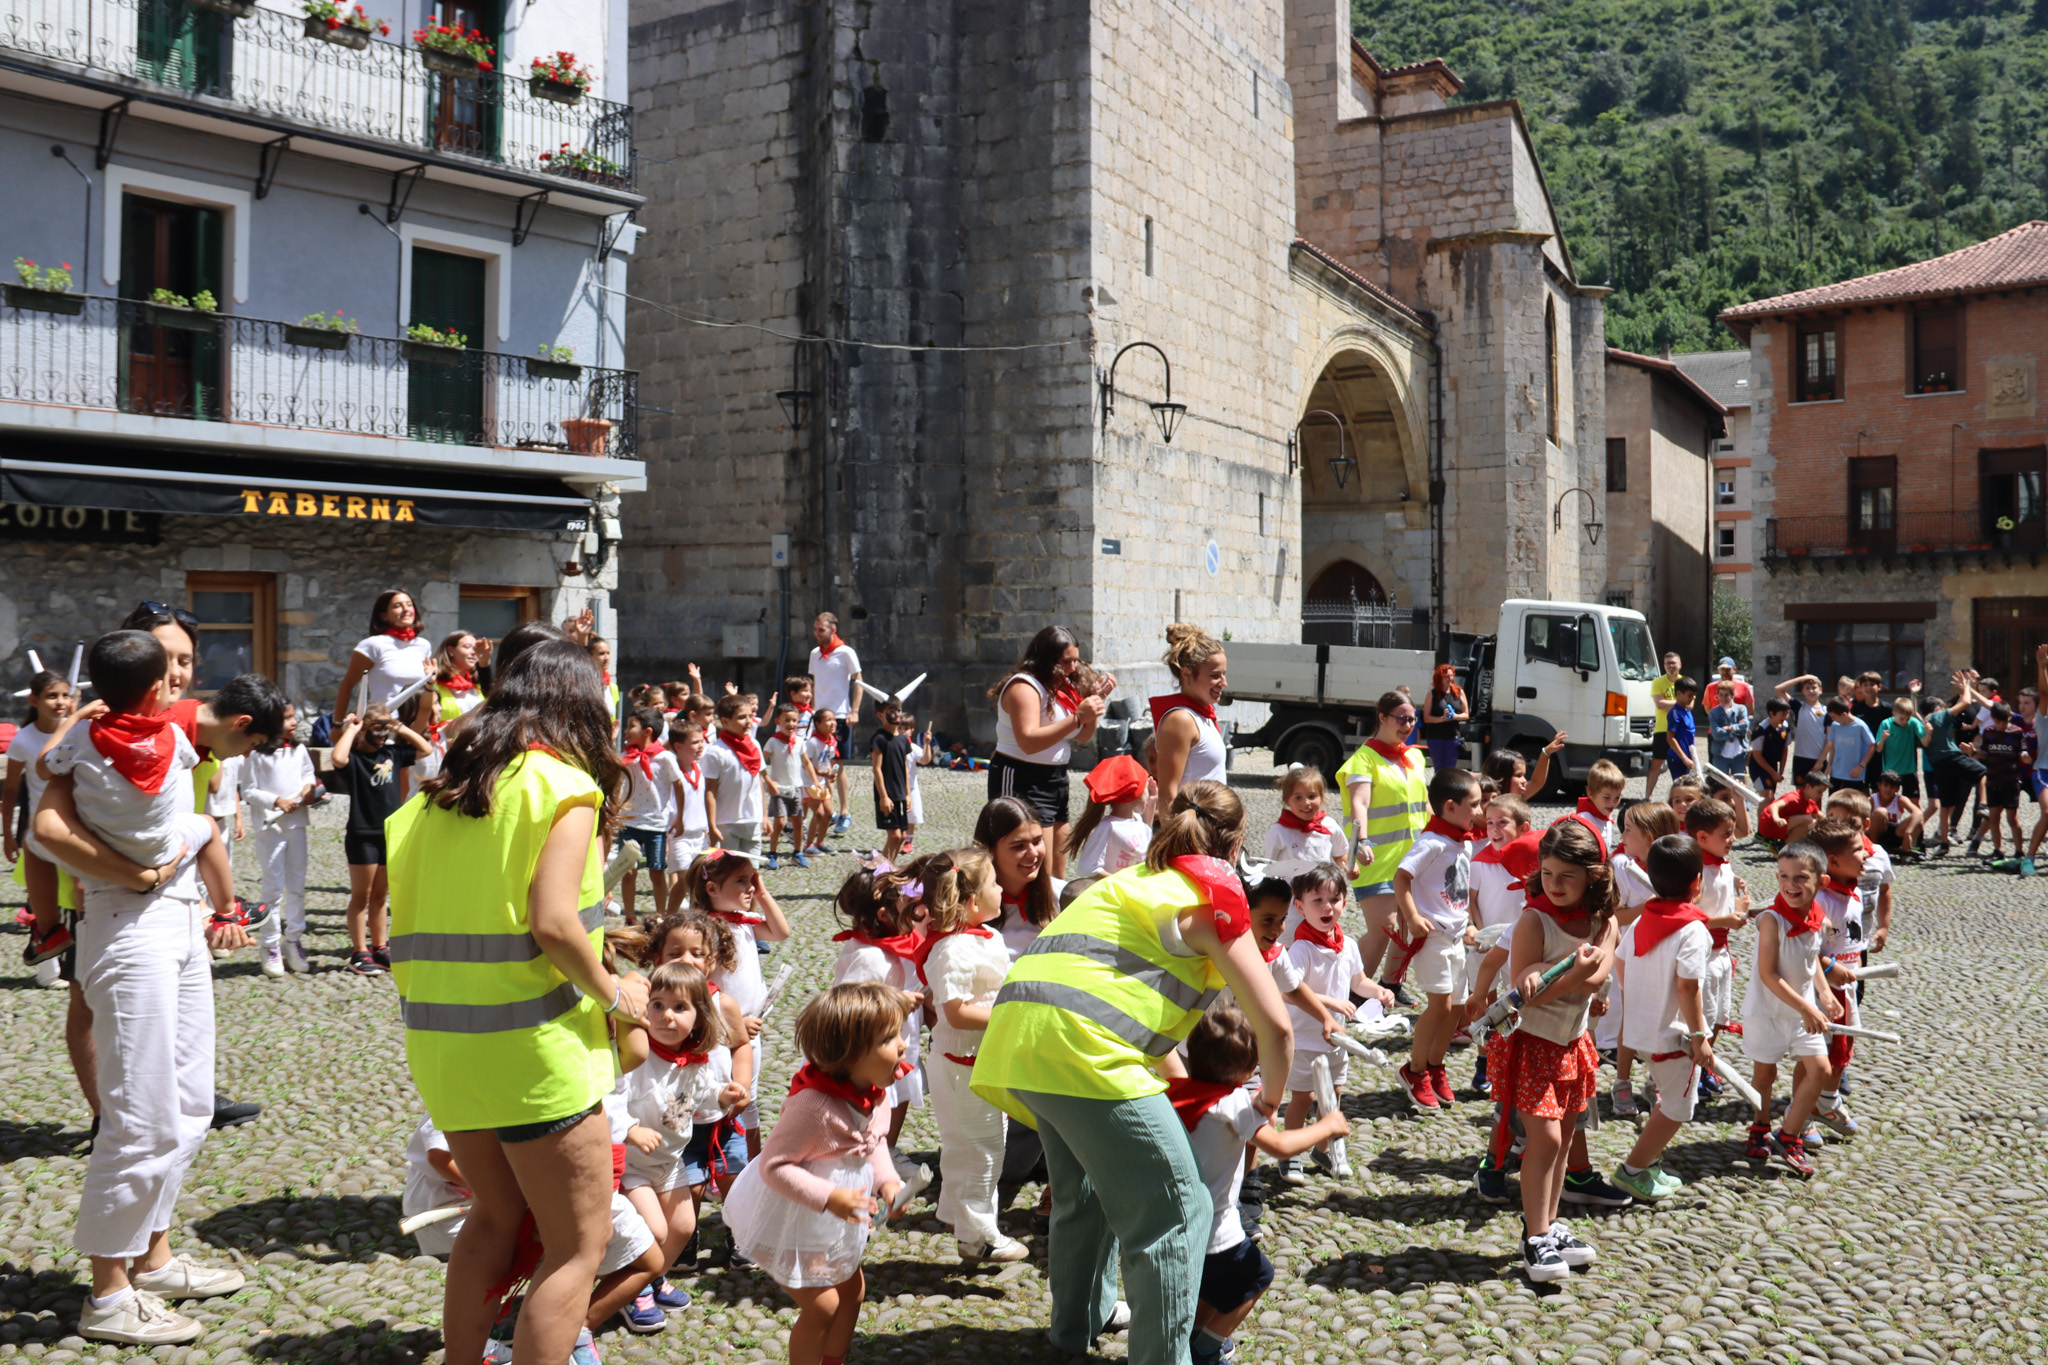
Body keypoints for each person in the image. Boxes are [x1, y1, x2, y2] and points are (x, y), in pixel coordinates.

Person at [385, 636, 649, 1365]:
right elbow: (554, 922)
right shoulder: (560, 785)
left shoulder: (435, 797)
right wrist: (618, 993)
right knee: (578, 1244)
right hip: (535, 1055)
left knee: (495, 1217)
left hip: (446, 1051)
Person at [972, 780, 1294, 1365]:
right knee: (1180, 1212)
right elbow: (1276, 1029)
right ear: (1235, 843)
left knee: (1083, 1192)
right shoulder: (1212, 898)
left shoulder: (1130, 881)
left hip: (1020, 1040)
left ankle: (1074, 1332)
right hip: (1088, 1055)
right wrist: (1269, 1100)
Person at [33, 633, 283, 1346]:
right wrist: (134, 872)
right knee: (140, 1116)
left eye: (187, 659)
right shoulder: (95, 733)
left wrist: (202, 890)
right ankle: (109, 1292)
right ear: (148, 681)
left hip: (178, 919)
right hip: (127, 921)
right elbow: (46, 827)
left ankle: (153, 1258)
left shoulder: (168, 736)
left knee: (190, 1104)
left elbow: (192, 826)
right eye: (172, 661)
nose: (183, 672)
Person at [722, 983, 912, 1365]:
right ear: (849, 1054)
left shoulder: (875, 1093)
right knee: (823, 1305)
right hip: (794, 1212)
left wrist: (888, 1182)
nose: (903, 1045)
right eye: (889, 1038)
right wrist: (829, 1197)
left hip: (835, 1214)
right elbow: (775, 1166)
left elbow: (873, 1142)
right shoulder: (814, 1107)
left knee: (853, 1293)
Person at [1477, 818, 1618, 1282]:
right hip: (1532, 1043)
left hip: (1570, 1042)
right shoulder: (1532, 920)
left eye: (1567, 876)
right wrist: (1567, 972)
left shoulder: (1603, 922)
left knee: (1564, 1138)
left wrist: (1560, 973)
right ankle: (1534, 1235)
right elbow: (1527, 993)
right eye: (1548, 873)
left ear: (1592, 877)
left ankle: (1549, 1224)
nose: (1554, 884)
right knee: (1547, 1140)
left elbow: (1595, 980)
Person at [1172, 1001, 1349, 1365]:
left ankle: (1192, 1338)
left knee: (1210, 1286)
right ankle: (1206, 1349)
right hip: (1217, 1231)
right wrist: (1326, 1126)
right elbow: (1279, 1145)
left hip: (1181, 1224)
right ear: (1249, 1069)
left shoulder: (1178, 1093)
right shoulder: (1234, 1103)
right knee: (1258, 1277)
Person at [907, 847, 1025, 1264]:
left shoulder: (984, 937)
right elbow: (955, 1013)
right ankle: (980, 1235)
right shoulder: (952, 950)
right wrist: (1010, 1016)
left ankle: (960, 1220)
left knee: (965, 1146)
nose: (1001, 889)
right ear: (972, 901)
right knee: (984, 1149)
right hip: (964, 1066)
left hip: (972, 1062)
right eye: (994, 883)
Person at [618, 961, 742, 1321]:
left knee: (684, 1227)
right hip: (634, 1164)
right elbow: (611, 1098)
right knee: (654, 1229)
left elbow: (701, 1094)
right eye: (657, 1005)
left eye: (679, 1007)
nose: (666, 1016)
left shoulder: (693, 1062)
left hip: (670, 1161)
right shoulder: (639, 1056)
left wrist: (723, 1095)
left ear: (699, 1017)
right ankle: (631, 1291)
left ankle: (652, 1278)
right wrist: (631, 1129)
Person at [1608, 834, 1714, 1202]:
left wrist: (1639, 996)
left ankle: (1649, 1164)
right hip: (1673, 1038)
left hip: (1642, 1033)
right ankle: (1633, 1170)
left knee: (1666, 1099)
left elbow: (1620, 960)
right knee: (1677, 1108)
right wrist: (1699, 1036)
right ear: (1697, 881)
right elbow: (1688, 986)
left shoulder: (1643, 920)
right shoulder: (1693, 930)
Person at [1736, 840, 1840, 1179]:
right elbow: (1769, 974)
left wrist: (1824, 993)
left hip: (1800, 1014)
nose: (1790, 884)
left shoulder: (1817, 918)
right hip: (1767, 1012)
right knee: (1765, 1075)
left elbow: (1810, 962)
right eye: (1783, 875)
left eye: (1800, 877)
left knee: (1820, 1070)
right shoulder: (1771, 920)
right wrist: (1807, 1007)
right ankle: (1760, 1124)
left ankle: (1789, 1134)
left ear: (1822, 882)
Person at [683, 848, 791, 1158]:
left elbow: (781, 932)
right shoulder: (703, 931)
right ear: (712, 888)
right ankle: (717, 1158)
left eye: (752, 880)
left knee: (749, 1100)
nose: (750, 888)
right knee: (723, 1098)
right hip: (721, 1032)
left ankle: (748, 1166)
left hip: (749, 1033)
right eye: (741, 881)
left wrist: (763, 893)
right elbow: (697, 989)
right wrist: (734, 1024)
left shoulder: (743, 923)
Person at [1392, 768, 1484, 1112]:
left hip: (1457, 938)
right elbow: (1401, 878)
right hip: (1433, 938)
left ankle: (1434, 1065)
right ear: (1450, 807)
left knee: (1457, 1009)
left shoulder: (1463, 841)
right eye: (1474, 804)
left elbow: (1459, 891)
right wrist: (1413, 916)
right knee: (1441, 1006)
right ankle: (1414, 1070)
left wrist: (1470, 923)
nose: (1479, 811)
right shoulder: (1431, 842)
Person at [1278, 864, 1380, 1173]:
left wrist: (1379, 991)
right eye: (1318, 901)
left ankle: (1322, 1150)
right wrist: (1332, 1002)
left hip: (1337, 1041)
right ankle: (1290, 1152)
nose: (1327, 907)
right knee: (1303, 1098)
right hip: (1305, 1040)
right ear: (1300, 907)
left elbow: (1358, 981)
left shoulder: (1348, 945)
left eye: (1334, 900)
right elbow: (1289, 991)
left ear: (1344, 904)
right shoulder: (1301, 949)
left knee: (1332, 1098)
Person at [988, 626, 1112, 875]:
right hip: (1022, 776)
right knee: (1031, 868)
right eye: (1066, 661)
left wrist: (1094, 705)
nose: (1073, 668)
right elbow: (1028, 742)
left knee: (1056, 871)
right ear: (1046, 659)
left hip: (1055, 779)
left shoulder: (1060, 688)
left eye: (1076, 661)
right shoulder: (1024, 687)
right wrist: (1078, 717)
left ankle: (1054, 902)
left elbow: (1083, 736)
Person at [1334, 691, 1426, 1006]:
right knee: (1383, 929)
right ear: (1382, 717)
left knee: (1407, 928)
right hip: (1376, 859)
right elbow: (1359, 804)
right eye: (1401, 719)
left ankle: (1392, 984)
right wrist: (1361, 841)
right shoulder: (1363, 760)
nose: (1407, 725)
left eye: (1412, 719)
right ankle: (1350, 992)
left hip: (1413, 859)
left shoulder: (1414, 757)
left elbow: (1423, 805)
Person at [828, 868, 926, 1154]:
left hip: (884, 1048)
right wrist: (896, 1000)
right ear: (884, 916)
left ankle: (881, 1154)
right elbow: (850, 1007)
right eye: (908, 905)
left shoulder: (882, 947)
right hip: (865, 1057)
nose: (916, 910)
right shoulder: (869, 957)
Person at [332, 703, 432, 975]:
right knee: (361, 896)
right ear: (364, 728)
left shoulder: (392, 753)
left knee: (380, 895)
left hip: (389, 834)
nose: (382, 733)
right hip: (362, 835)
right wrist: (352, 730)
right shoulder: (355, 759)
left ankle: (380, 946)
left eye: (385, 727)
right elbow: (338, 758)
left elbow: (426, 749)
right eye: (377, 727)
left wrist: (401, 729)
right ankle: (359, 952)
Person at [1605, 801, 1680, 1117]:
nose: (1622, 836)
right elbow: (1614, 915)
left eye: (1628, 831)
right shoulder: (1622, 867)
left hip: (1668, 952)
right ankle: (1621, 1081)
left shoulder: (1674, 865)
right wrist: (1647, 906)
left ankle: (1655, 1080)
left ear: (1650, 837)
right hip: (1634, 952)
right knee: (1632, 1018)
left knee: (1666, 1017)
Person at [1465, 794, 1541, 1098]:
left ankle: (1511, 1059)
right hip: (1485, 944)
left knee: (1515, 1003)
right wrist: (1476, 928)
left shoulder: (1533, 864)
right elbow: (1471, 900)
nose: (1494, 829)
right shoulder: (1479, 862)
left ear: (1523, 828)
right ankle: (1484, 1061)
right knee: (1484, 1003)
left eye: (1502, 823)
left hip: (1519, 945)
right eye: (1490, 823)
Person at [237, 701, 318, 975]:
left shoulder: (298, 749)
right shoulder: (256, 754)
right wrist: (276, 801)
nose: (293, 722)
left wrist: (308, 788)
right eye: (287, 718)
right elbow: (249, 790)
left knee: (297, 886)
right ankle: (269, 944)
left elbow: (308, 774)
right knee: (273, 889)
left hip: (296, 825)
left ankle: (293, 940)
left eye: (294, 717)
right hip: (270, 828)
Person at [6, 669, 78, 966]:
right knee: (44, 902)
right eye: (51, 696)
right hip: (41, 832)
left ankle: (78, 958)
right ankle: (48, 968)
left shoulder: (78, 732)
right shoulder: (23, 739)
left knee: (76, 894)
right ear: (34, 700)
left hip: (76, 826)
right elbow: (11, 790)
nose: (60, 702)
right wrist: (8, 836)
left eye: (65, 695)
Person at [1808, 818, 1867, 1139]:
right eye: (1857, 850)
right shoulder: (1820, 900)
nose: (1865, 854)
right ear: (1832, 861)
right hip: (1822, 991)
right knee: (1818, 1052)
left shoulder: (1853, 892)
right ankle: (1801, 1114)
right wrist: (1830, 967)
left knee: (1845, 1045)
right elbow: (1804, 949)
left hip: (1847, 987)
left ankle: (1827, 1100)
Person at [1150, 623, 1229, 815]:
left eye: (1224, 675)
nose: (1224, 683)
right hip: (1193, 829)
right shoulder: (1180, 720)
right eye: (1215, 676)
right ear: (1186, 674)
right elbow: (1168, 795)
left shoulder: (1202, 716)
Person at [618, 707, 688, 919]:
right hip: (629, 823)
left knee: (657, 872)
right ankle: (629, 917)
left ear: (647, 731)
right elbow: (617, 786)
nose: (626, 731)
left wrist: (679, 817)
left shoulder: (665, 758)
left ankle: (660, 916)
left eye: (631, 726)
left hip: (656, 825)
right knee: (627, 872)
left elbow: (678, 785)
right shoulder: (626, 758)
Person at [975, 796, 1062, 962]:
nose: (1033, 853)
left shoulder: (1063, 896)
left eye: (1037, 842)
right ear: (990, 850)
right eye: (1018, 846)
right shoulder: (968, 907)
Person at [331, 589, 433, 729]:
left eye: (409, 604)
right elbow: (347, 685)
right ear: (384, 615)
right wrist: (337, 724)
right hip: (382, 727)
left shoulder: (423, 645)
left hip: (417, 727)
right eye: (398, 606)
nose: (406, 609)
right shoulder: (373, 645)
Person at [807, 614, 863, 835]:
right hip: (818, 715)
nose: (817, 633)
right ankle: (827, 808)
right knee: (822, 764)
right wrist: (810, 710)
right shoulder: (815, 654)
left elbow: (859, 682)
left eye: (821, 629)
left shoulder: (846, 652)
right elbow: (815, 684)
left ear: (833, 629)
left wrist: (854, 711)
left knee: (838, 765)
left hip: (839, 715)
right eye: (815, 629)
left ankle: (845, 812)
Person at [1069, 754, 1152, 880]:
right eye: (1147, 789)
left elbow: (1147, 838)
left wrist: (1153, 799)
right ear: (1137, 795)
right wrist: (1120, 882)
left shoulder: (1137, 820)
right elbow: (1088, 868)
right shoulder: (1108, 828)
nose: (1149, 793)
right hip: (1119, 891)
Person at [703, 693, 766, 858]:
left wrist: (764, 816)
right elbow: (710, 790)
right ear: (725, 722)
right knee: (729, 870)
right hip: (726, 822)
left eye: (750, 716)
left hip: (753, 819)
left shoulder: (755, 745)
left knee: (752, 869)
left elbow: (758, 782)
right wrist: (711, 825)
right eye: (741, 717)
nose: (748, 721)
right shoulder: (716, 751)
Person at [1262, 764, 1348, 885]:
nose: (1306, 803)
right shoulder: (1279, 832)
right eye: (1298, 798)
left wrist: (1349, 867)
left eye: (1311, 796)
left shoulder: (1329, 826)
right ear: (1286, 800)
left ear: (1321, 796)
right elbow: (1269, 867)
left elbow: (1340, 855)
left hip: (1322, 891)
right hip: (1290, 894)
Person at [762, 703, 813, 871]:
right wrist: (768, 781)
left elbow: (806, 762)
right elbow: (761, 762)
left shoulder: (799, 741)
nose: (791, 724)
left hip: (795, 788)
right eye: (787, 720)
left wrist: (815, 782)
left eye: (794, 720)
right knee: (780, 822)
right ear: (778, 721)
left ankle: (798, 852)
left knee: (798, 821)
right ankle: (772, 853)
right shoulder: (773, 742)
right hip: (779, 790)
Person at [1978, 701, 2027, 857]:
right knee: (1993, 818)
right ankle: (1998, 850)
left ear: (2009, 717)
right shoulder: (1988, 732)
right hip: (1993, 780)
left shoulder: (2017, 732)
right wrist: (1973, 752)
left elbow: (2023, 751)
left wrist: (2024, 756)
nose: (2001, 725)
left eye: (2004, 722)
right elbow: (1984, 754)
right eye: (1998, 722)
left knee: (2012, 818)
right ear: (1993, 718)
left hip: (2011, 781)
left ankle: (2019, 851)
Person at [870, 700, 915, 865]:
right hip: (887, 794)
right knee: (894, 835)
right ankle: (877, 870)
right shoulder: (879, 738)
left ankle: (888, 867)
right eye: (891, 710)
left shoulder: (903, 739)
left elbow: (905, 768)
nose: (896, 714)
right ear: (880, 715)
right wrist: (883, 797)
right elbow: (877, 769)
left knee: (902, 836)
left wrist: (908, 794)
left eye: (899, 710)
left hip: (900, 793)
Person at [667, 720, 711, 875]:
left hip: (700, 834)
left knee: (699, 879)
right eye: (695, 742)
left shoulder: (702, 768)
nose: (701, 746)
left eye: (701, 741)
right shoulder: (672, 773)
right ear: (678, 746)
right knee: (685, 877)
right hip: (679, 835)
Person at [1775, 673, 1830, 782]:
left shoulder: (1827, 711)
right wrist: (1801, 678)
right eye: (1807, 688)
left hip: (1818, 759)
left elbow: (1829, 739)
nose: (1811, 691)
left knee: (1817, 791)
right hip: (1800, 758)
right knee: (1800, 791)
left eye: (1814, 688)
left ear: (1820, 690)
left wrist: (1820, 761)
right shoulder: (1799, 707)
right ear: (1802, 691)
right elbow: (1778, 690)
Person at [800, 710, 840, 857]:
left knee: (828, 813)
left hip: (821, 783)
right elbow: (807, 765)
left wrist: (831, 774)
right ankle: (808, 845)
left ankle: (820, 843)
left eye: (834, 719)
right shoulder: (812, 742)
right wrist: (824, 774)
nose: (833, 723)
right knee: (819, 814)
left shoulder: (831, 741)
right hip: (808, 783)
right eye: (828, 720)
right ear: (817, 724)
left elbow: (827, 762)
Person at [1873, 697, 1927, 804]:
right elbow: (1878, 749)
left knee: (1914, 802)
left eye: (1907, 718)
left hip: (1909, 770)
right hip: (1890, 771)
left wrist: (1928, 733)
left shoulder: (1913, 723)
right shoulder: (1886, 724)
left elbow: (1925, 742)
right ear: (1894, 713)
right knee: (1886, 802)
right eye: (1902, 718)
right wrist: (1883, 739)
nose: (1905, 721)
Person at [1817, 698, 1876, 793]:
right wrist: (1829, 765)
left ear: (1844, 714)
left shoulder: (1860, 726)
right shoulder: (1835, 725)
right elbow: (1833, 746)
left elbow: (1872, 746)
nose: (1832, 719)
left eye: (1834, 717)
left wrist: (1861, 766)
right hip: (1836, 774)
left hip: (1854, 775)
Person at [1645, 651, 1683, 798]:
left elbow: (1690, 705)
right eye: (1667, 663)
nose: (1670, 666)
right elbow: (1660, 704)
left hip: (1681, 730)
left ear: (1680, 665)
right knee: (1656, 763)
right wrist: (1680, 702)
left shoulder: (1685, 682)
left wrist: (1671, 703)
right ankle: (1647, 797)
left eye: (1673, 663)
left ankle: (1680, 797)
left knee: (1681, 763)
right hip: (1662, 728)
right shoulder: (1657, 682)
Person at [1419, 663, 1470, 772]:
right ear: (1440, 678)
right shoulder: (1432, 694)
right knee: (1439, 769)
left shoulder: (1459, 692)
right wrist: (1442, 719)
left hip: (1452, 737)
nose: (1450, 679)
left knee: (1450, 769)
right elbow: (1426, 718)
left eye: (1452, 676)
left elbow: (1466, 714)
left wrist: (1455, 716)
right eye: (1447, 676)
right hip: (1435, 738)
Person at [1706, 680, 1750, 795]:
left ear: (1732, 695)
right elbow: (1716, 733)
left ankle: (1741, 803)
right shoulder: (1713, 712)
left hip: (1739, 753)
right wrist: (1735, 731)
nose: (1723, 698)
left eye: (1726, 695)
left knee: (1739, 784)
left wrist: (1730, 728)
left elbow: (1745, 727)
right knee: (1720, 785)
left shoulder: (1741, 709)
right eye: (1720, 695)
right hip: (1720, 754)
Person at [1750, 697, 1791, 799]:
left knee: (1770, 799)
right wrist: (1773, 774)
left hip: (1773, 766)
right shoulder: (1761, 730)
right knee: (1768, 797)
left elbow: (1785, 750)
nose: (1786, 717)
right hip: (1759, 767)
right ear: (1772, 714)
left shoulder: (1785, 727)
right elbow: (1757, 755)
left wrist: (1780, 772)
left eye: (1787, 714)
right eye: (1783, 714)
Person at [1663, 676, 1699, 785]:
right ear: (1678, 694)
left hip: (1688, 757)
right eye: (1689, 695)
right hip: (1677, 758)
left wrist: (1693, 756)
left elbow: (1690, 735)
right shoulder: (1675, 713)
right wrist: (1684, 758)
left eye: (1693, 695)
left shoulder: (1687, 711)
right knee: (1680, 786)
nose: (1692, 699)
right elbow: (1670, 737)